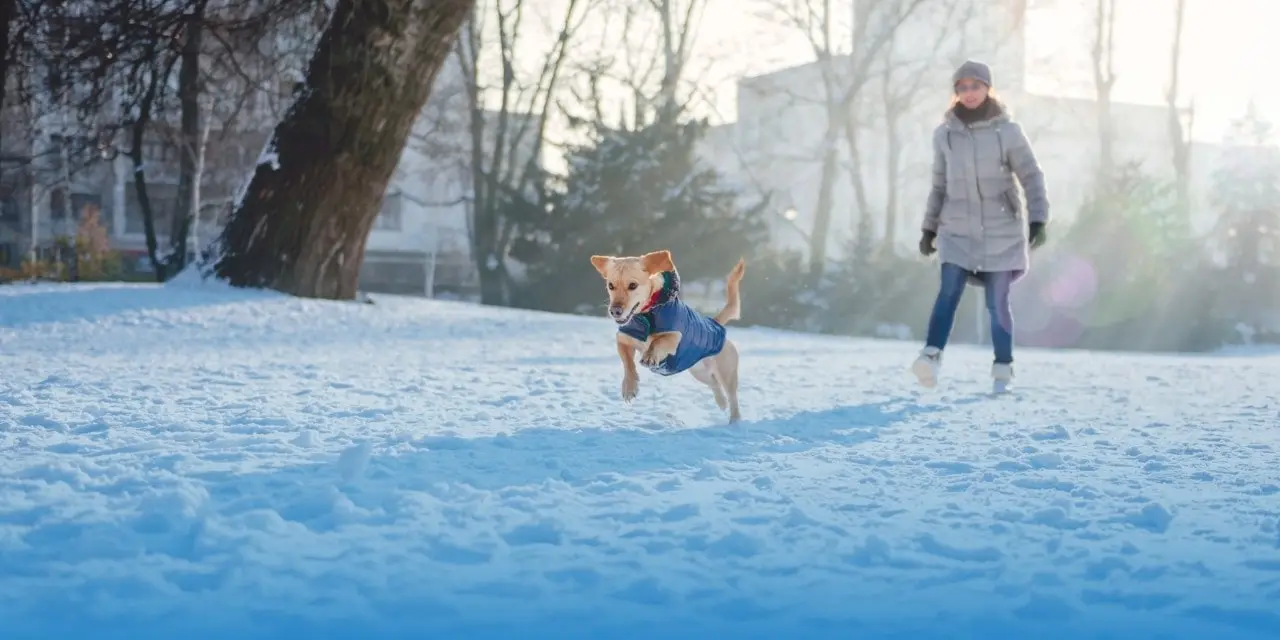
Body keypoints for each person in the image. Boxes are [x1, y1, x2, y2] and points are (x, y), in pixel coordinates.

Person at [912, 59, 1049, 392]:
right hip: (956, 229)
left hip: (1001, 230)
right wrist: (929, 229)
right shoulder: (944, 135)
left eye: (975, 86)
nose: (969, 93)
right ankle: (930, 356)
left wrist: (1038, 218)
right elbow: (939, 185)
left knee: (997, 301)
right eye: (962, 87)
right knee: (948, 292)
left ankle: (1003, 365)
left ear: (988, 88)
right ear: (956, 92)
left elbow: (1031, 175)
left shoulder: (1009, 131)